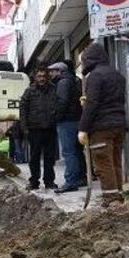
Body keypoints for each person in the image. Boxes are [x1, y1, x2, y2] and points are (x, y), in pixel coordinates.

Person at [79, 43, 128, 208]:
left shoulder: (95, 76)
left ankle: (111, 200)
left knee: (103, 163)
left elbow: (93, 104)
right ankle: (118, 196)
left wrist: (83, 128)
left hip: (101, 127)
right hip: (119, 125)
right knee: (115, 162)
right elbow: (111, 99)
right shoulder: (117, 75)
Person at [19, 65, 58, 191]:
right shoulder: (29, 91)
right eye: (39, 76)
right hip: (34, 129)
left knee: (49, 157)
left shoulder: (53, 89)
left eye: (43, 76)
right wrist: (24, 127)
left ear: (47, 77)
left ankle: (49, 181)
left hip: (50, 128)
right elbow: (23, 110)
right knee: (34, 157)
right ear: (35, 77)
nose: (41, 79)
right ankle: (34, 181)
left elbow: (58, 105)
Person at [49, 61, 86, 193]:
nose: (50, 74)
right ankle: (81, 178)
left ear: (60, 71)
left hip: (67, 122)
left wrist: (56, 116)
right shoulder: (75, 80)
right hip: (77, 119)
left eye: (53, 71)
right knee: (77, 151)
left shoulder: (63, 83)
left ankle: (71, 182)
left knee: (69, 152)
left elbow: (62, 102)